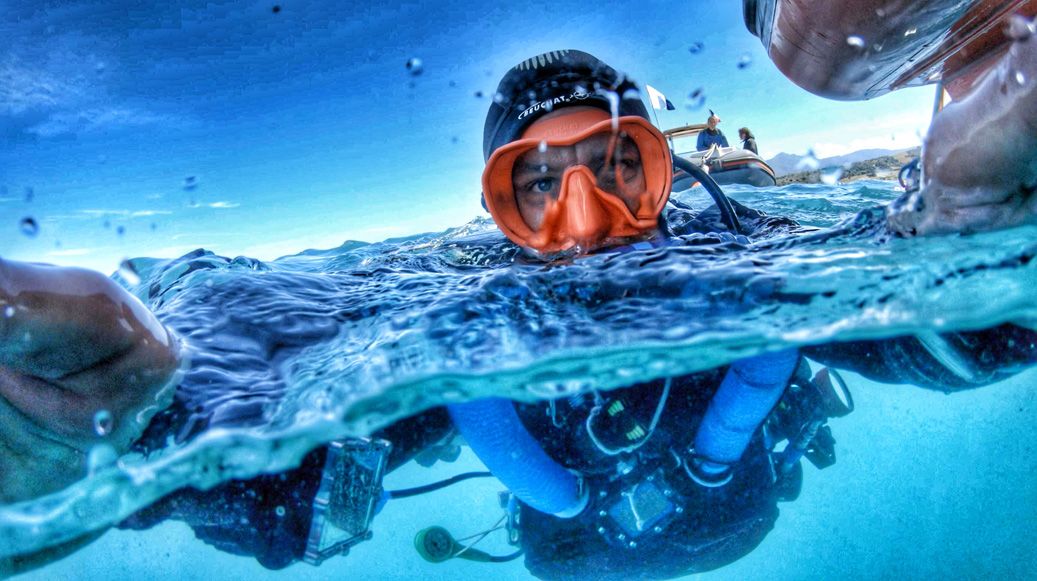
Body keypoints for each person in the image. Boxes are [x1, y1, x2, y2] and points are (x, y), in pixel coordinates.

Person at [3, 38, 1037, 578]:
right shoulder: (461, 306)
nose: (584, 222)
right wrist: (129, 425)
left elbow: (929, 327)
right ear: (499, 209)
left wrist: (975, 227)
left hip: (720, 517)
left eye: (614, 168)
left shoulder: (749, 252)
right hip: (577, 557)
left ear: (664, 171)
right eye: (538, 185)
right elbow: (283, 465)